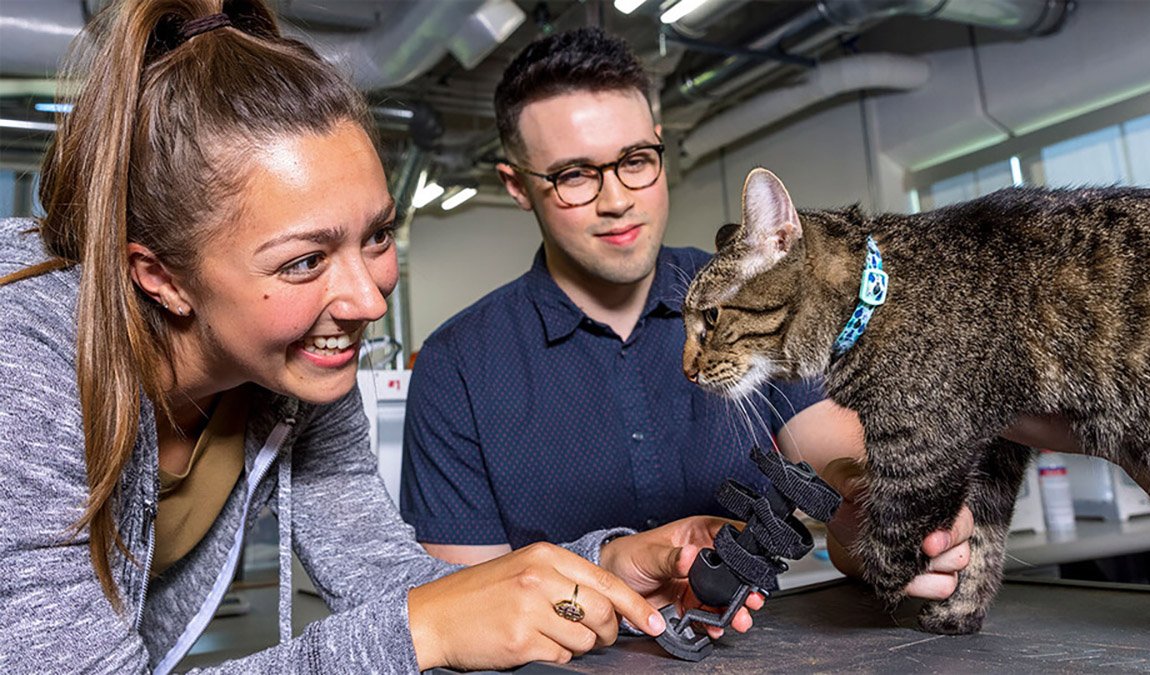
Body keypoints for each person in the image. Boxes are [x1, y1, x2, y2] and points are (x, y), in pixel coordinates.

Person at [0, 3, 765, 673]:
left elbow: (380, 573)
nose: (366, 299)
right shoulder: (27, 357)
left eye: (376, 236)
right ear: (160, 276)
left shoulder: (290, 372)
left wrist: (600, 568)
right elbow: (419, 618)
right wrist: (421, 631)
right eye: (304, 261)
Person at [399, 26, 975, 602]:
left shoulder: (756, 300)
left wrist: (872, 512)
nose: (618, 198)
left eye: (636, 159)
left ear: (658, 144)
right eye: (574, 175)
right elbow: (461, 601)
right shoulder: (457, 366)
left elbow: (837, 458)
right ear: (516, 185)